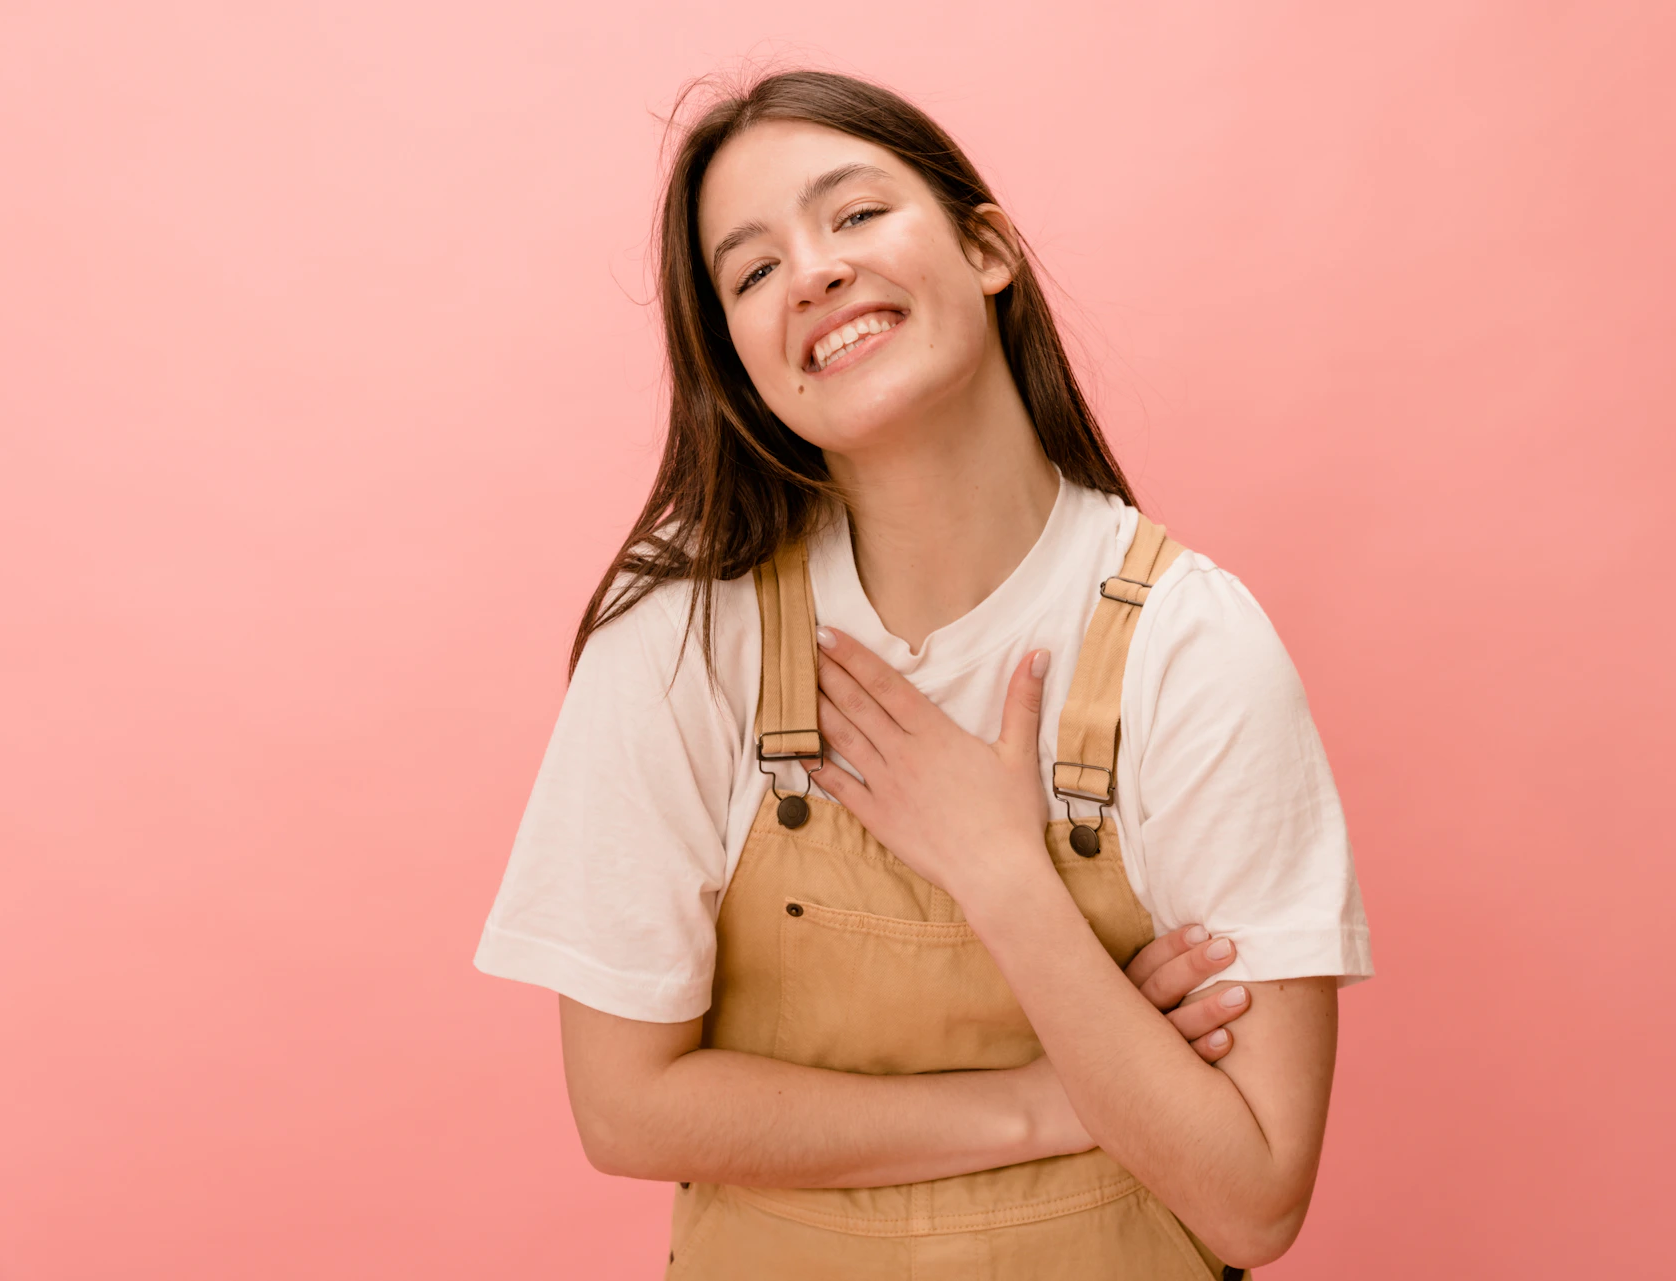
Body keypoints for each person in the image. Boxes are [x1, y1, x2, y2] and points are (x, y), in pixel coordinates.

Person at [473, 68, 1373, 1279]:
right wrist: (1055, 1101)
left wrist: (1003, 873)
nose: (813, 272)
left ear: (988, 250)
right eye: (751, 270)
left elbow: (1254, 1199)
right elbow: (627, 1110)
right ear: (742, 365)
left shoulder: (1194, 646)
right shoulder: (687, 636)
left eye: (853, 216)